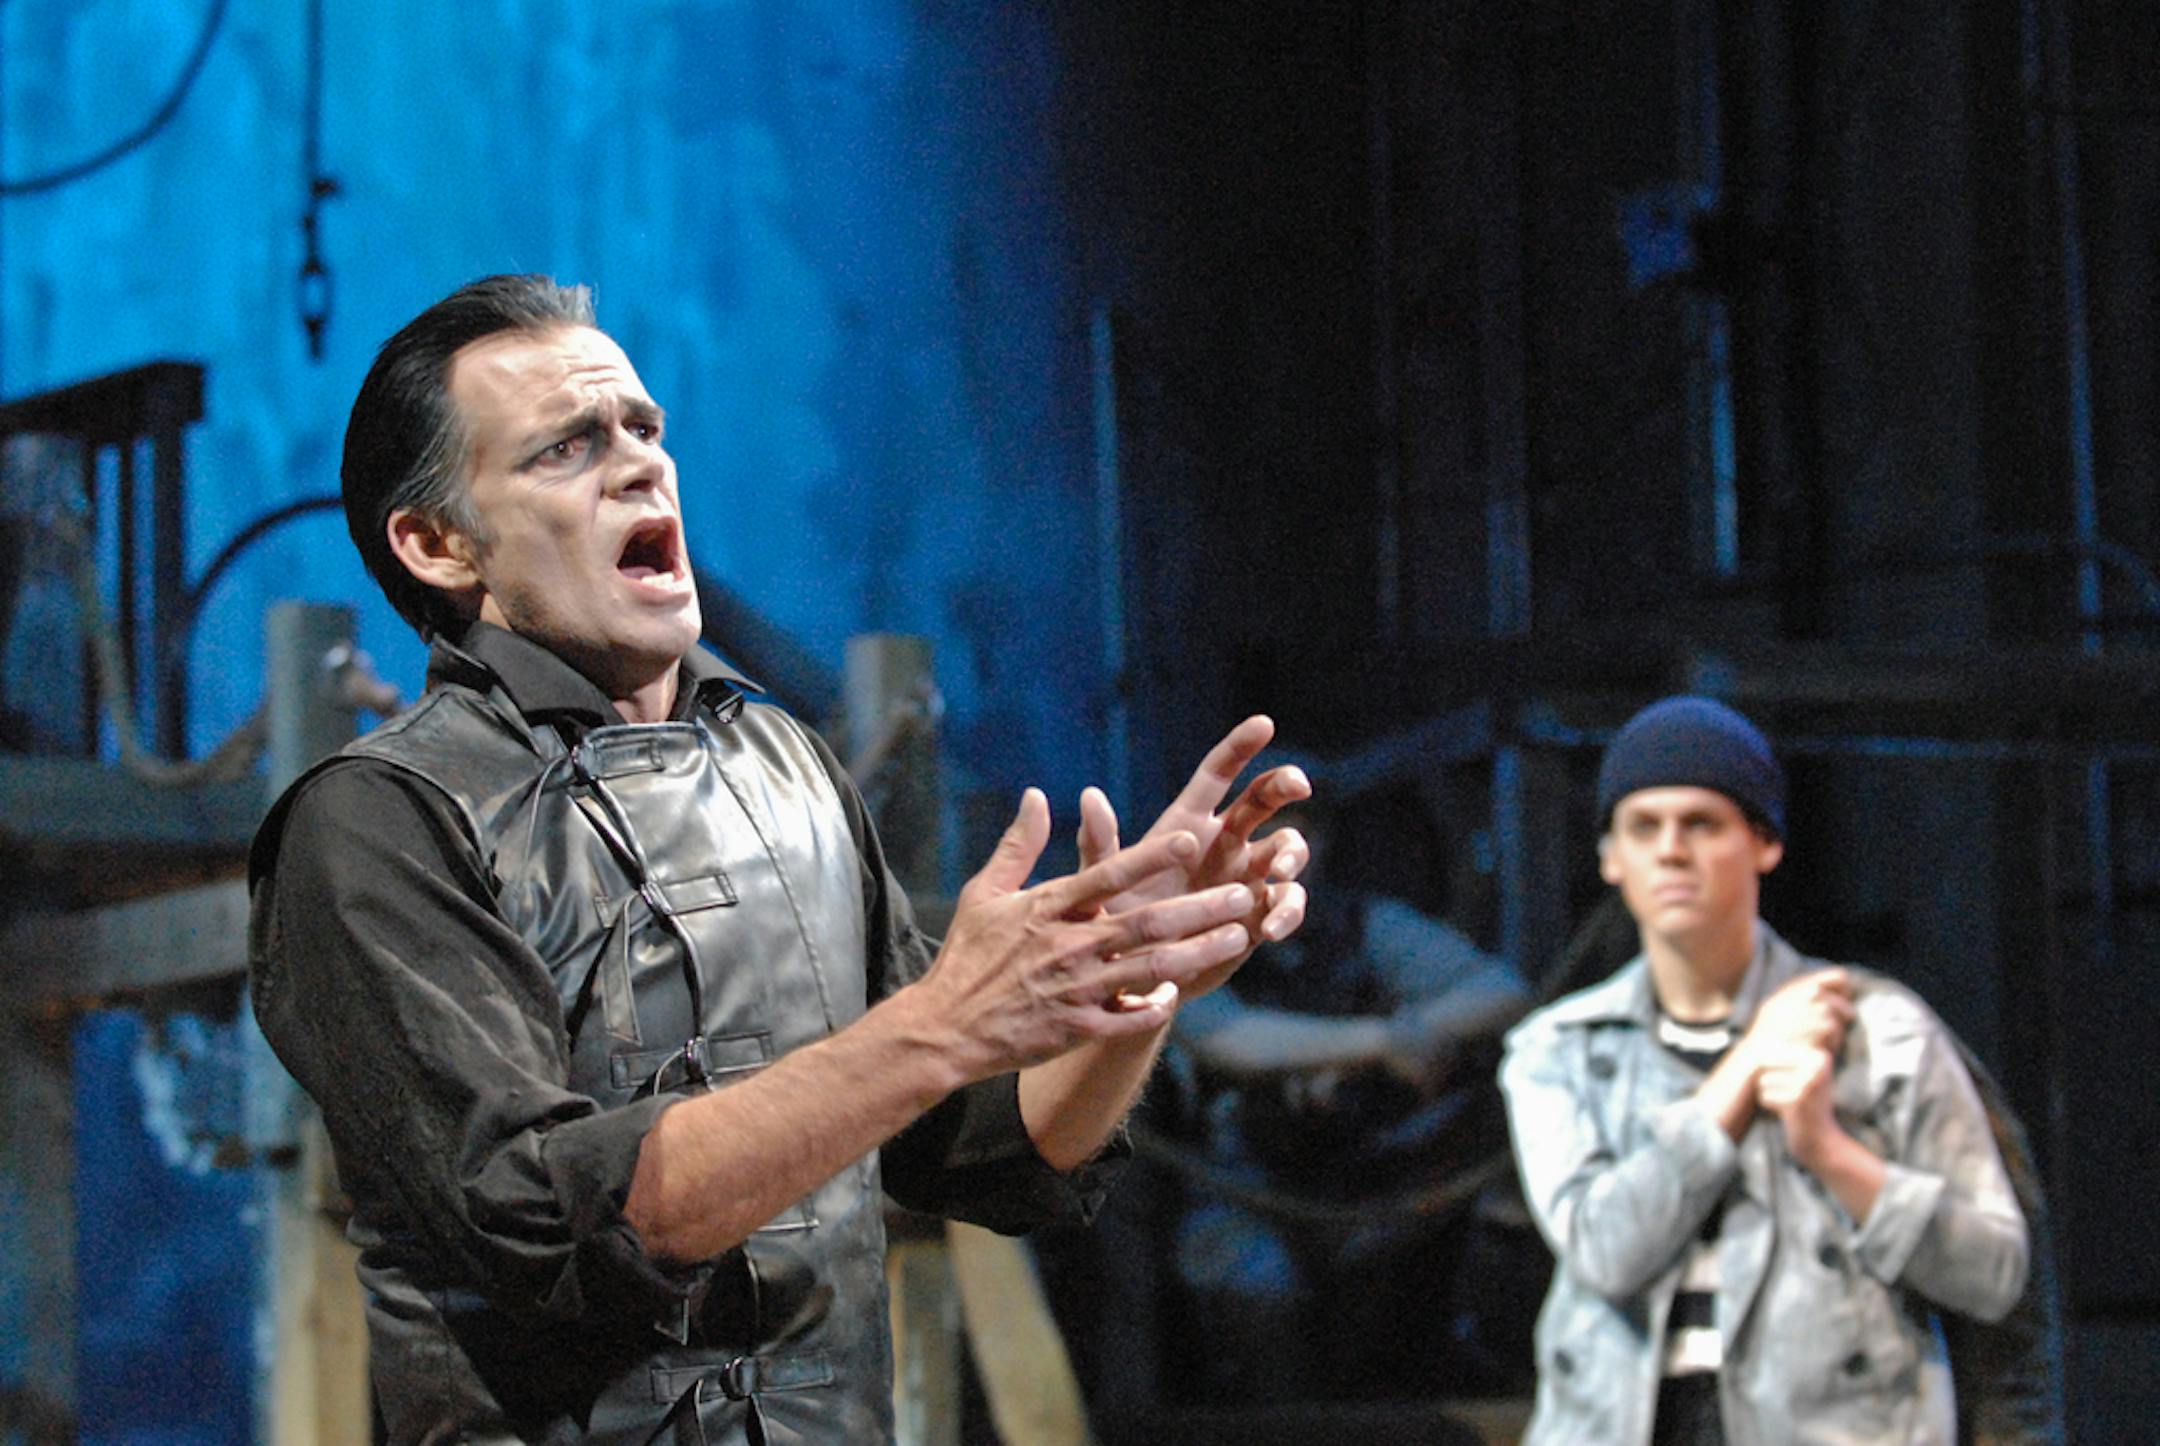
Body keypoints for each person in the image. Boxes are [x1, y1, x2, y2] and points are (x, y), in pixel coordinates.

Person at [246, 274, 1310, 1444]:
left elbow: (977, 1146)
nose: (640, 465)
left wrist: (1134, 979)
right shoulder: (377, 822)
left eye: (645, 430)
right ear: (441, 544)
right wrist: (939, 1025)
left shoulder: (784, 764)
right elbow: (542, 1216)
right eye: (567, 449)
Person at [1498, 696, 2029, 1444]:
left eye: (1703, 824)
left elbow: (1996, 1272)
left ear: (1764, 843)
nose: (1672, 851)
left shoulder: (1879, 1029)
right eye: (1644, 827)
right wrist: (1744, 1070)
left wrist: (1832, 1154)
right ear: (1611, 859)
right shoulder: (1560, 1050)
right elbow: (1606, 1248)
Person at [1161, 798, 1532, 1403]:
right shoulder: (1188, 944)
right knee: (1259, 1296)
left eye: (1293, 833)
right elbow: (1233, 1042)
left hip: (1373, 1191)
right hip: (1243, 1194)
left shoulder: (1363, 927)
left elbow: (1501, 992)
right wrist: (1381, 1043)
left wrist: (1407, 1039)